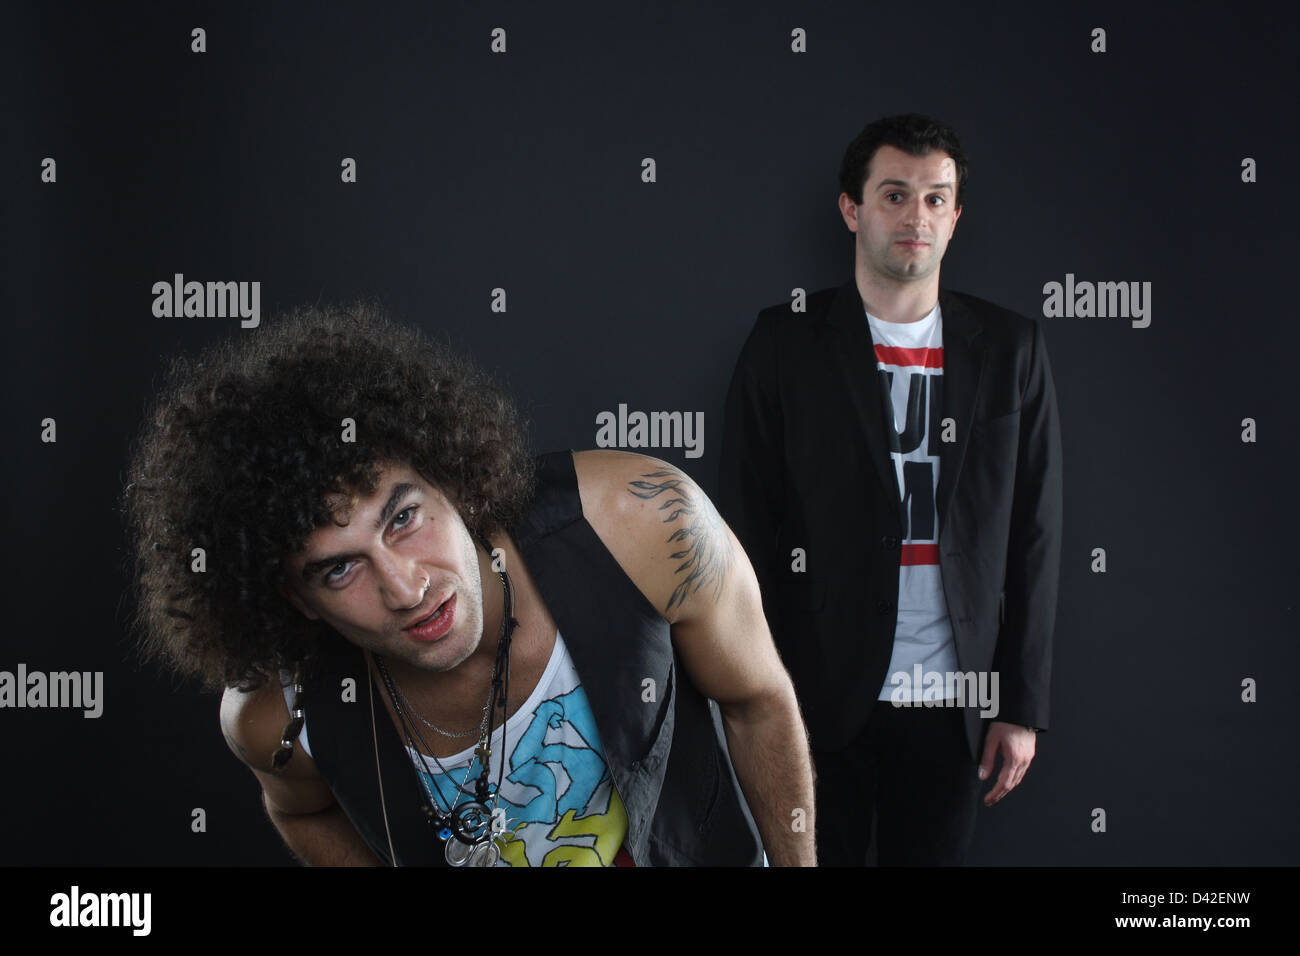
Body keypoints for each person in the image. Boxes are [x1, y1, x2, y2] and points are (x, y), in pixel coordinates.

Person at [122, 301, 815, 867]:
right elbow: (298, 807)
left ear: (448, 476)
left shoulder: (642, 522)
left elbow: (756, 699)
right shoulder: (274, 716)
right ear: (296, 598)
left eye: (402, 518)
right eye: (338, 568)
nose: (404, 586)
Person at [718, 113, 1063, 865]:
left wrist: (1021, 705)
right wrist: (756, 696)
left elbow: (1035, 534)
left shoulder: (1011, 349)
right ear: (853, 209)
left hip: (953, 709)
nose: (918, 216)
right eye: (896, 195)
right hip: (814, 701)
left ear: (956, 216)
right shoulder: (786, 340)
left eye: (937, 198)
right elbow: (744, 529)